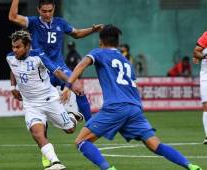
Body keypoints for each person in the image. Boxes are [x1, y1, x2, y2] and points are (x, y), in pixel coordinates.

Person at [60, 25, 202, 170]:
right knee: (155, 145)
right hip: (134, 108)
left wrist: (67, 86)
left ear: (100, 41)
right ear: (117, 41)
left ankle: (107, 169)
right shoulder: (125, 60)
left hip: (116, 107)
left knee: (81, 141)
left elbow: (81, 65)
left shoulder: (99, 53)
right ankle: (189, 165)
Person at [8, 0, 103, 123]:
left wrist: (92, 30)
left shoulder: (60, 23)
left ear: (54, 9)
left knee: (79, 89)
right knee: (41, 105)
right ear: (38, 10)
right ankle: (61, 119)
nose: (47, 14)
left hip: (59, 66)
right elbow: (13, 16)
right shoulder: (33, 22)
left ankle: (91, 125)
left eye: (50, 11)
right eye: (44, 11)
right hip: (41, 70)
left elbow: (77, 33)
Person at [6, 30, 83, 170]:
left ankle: (72, 115)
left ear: (27, 46)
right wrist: (13, 87)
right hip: (31, 104)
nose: (14, 50)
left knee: (70, 129)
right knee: (37, 134)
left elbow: (57, 71)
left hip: (49, 99)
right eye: (13, 46)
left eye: (18, 47)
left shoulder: (38, 56)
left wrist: (71, 83)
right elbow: (13, 69)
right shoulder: (10, 58)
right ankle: (56, 162)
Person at [193, 31, 207, 144]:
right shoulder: (206, 35)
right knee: (206, 105)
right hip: (206, 76)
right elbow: (196, 52)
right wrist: (203, 57)